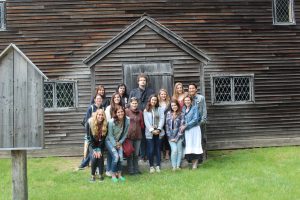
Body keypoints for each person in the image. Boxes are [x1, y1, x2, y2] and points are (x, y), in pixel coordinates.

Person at [129, 73, 155, 160]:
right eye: (141, 80)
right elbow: (130, 104)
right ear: (138, 82)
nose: (142, 82)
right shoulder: (133, 92)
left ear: (146, 82)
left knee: (148, 136)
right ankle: (141, 155)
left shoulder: (151, 91)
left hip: (148, 117)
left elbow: (153, 102)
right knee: (139, 136)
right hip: (137, 117)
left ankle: (149, 155)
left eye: (144, 80)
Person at [78, 94, 104, 170]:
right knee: (87, 149)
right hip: (90, 132)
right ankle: (83, 164)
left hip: (98, 133)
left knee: (93, 149)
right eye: (97, 99)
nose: (99, 100)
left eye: (100, 99)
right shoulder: (91, 108)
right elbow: (87, 121)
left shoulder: (102, 108)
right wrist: (87, 133)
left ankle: (85, 164)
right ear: (95, 100)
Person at [105, 106, 130, 182]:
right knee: (116, 157)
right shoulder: (111, 122)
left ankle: (119, 175)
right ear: (115, 113)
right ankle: (113, 175)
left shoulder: (127, 120)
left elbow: (125, 133)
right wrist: (115, 145)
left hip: (119, 141)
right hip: (109, 141)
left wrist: (120, 142)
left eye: (122, 111)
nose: (120, 113)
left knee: (121, 158)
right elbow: (110, 135)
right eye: (118, 112)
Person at [143, 95, 165, 173]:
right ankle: (151, 166)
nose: (154, 101)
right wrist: (152, 130)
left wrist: (159, 129)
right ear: (150, 100)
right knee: (151, 150)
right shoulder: (146, 110)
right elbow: (146, 122)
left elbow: (162, 119)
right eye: (152, 100)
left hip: (159, 132)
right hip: (150, 133)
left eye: (155, 100)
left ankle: (158, 166)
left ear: (157, 101)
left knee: (158, 149)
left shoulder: (160, 109)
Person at [181, 95, 203, 169]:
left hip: (194, 129)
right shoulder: (183, 109)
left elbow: (195, 119)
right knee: (190, 146)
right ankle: (192, 163)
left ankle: (195, 164)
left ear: (191, 101)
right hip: (187, 130)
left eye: (188, 100)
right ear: (184, 101)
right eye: (185, 100)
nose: (187, 102)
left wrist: (186, 125)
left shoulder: (195, 108)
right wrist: (182, 125)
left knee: (195, 145)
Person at [86, 109, 107, 182]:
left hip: (100, 145)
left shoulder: (105, 125)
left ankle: (101, 174)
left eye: (102, 115)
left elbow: (103, 139)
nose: (100, 116)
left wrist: (99, 149)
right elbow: (89, 137)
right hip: (92, 145)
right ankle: (92, 176)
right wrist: (95, 149)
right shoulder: (90, 123)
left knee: (100, 156)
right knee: (94, 157)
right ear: (96, 115)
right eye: (99, 114)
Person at [188, 83, 207, 161]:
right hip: (190, 124)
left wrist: (202, 121)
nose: (191, 90)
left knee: (201, 139)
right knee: (192, 140)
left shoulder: (201, 98)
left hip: (199, 123)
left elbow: (204, 110)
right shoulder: (188, 98)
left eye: (193, 88)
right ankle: (192, 158)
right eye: (190, 88)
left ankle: (201, 157)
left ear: (196, 89)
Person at [125, 97, 144, 175]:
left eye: (136, 103)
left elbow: (142, 124)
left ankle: (136, 169)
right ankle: (130, 170)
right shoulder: (126, 111)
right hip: (129, 136)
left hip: (138, 136)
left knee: (136, 154)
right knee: (130, 154)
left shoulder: (140, 112)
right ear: (130, 104)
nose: (134, 105)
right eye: (133, 103)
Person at [165, 99, 185, 171]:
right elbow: (167, 126)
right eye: (172, 105)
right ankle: (173, 166)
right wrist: (170, 137)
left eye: (175, 105)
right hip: (170, 136)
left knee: (179, 151)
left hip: (179, 136)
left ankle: (178, 166)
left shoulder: (181, 113)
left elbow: (182, 127)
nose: (174, 107)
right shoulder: (168, 113)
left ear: (177, 105)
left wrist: (176, 138)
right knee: (174, 150)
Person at [158, 89, 171, 160]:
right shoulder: (157, 103)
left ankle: (167, 153)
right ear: (159, 95)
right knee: (160, 138)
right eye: (162, 94)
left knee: (167, 138)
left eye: (164, 94)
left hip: (167, 123)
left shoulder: (169, 102)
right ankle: (160, 152)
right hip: (159, 123)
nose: (163, 95)